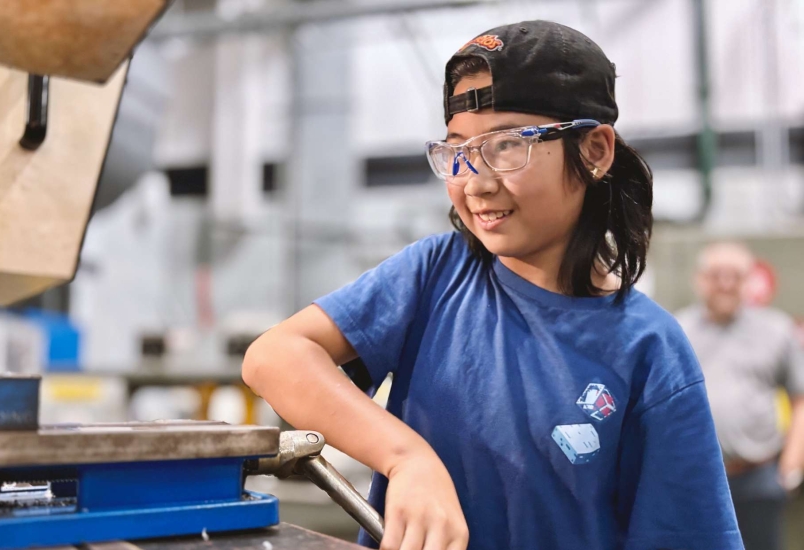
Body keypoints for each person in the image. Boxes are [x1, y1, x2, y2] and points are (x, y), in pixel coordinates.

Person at [243, 21, 743, 550]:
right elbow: (274, 357)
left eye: (507, 146)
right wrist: (406, 457)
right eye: (458, 149)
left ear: (595, 150)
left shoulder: (649, 351)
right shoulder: (437, 276)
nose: (476, 182)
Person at [677, 242, 804, 550]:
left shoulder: (777, 330)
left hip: (758, 477)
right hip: (696, 480)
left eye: (734, 275)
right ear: (700, 279)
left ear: (749, 280)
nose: (725, 284)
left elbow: (800, 397)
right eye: (716, 275)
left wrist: (791, 464)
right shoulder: (676, 330)